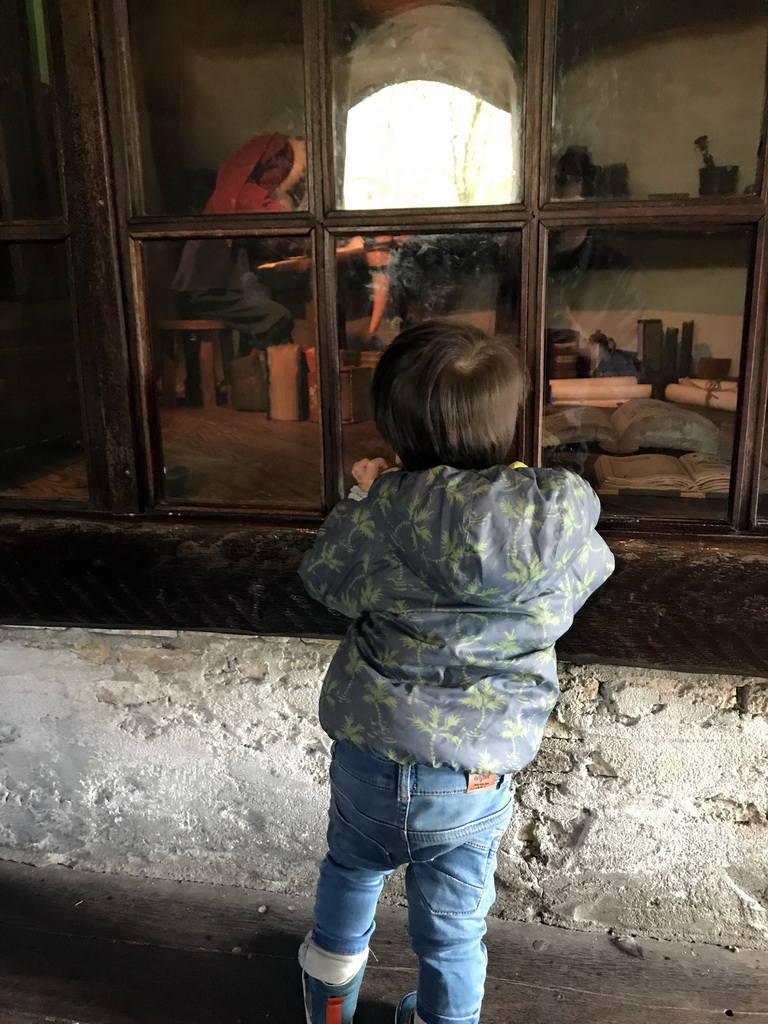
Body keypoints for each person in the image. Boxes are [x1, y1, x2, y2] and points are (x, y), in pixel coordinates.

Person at [297, 320, 615, 1024]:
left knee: (350, 874)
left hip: (373, 763)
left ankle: (328, 1007)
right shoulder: (553, 521)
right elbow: (590, 572)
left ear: (394, 425)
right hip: (476, 780)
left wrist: (365, 499)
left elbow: (326, 579)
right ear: (509, 421)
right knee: (455, 926)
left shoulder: (383, 513)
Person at [171, 133, 307, 354]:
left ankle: (269, 374)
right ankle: (267, 380)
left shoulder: (241, 195)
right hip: (207, 295)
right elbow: (279, 231)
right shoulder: (247, 196)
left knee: (270, 306)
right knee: (277, 317)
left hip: (223, 291)